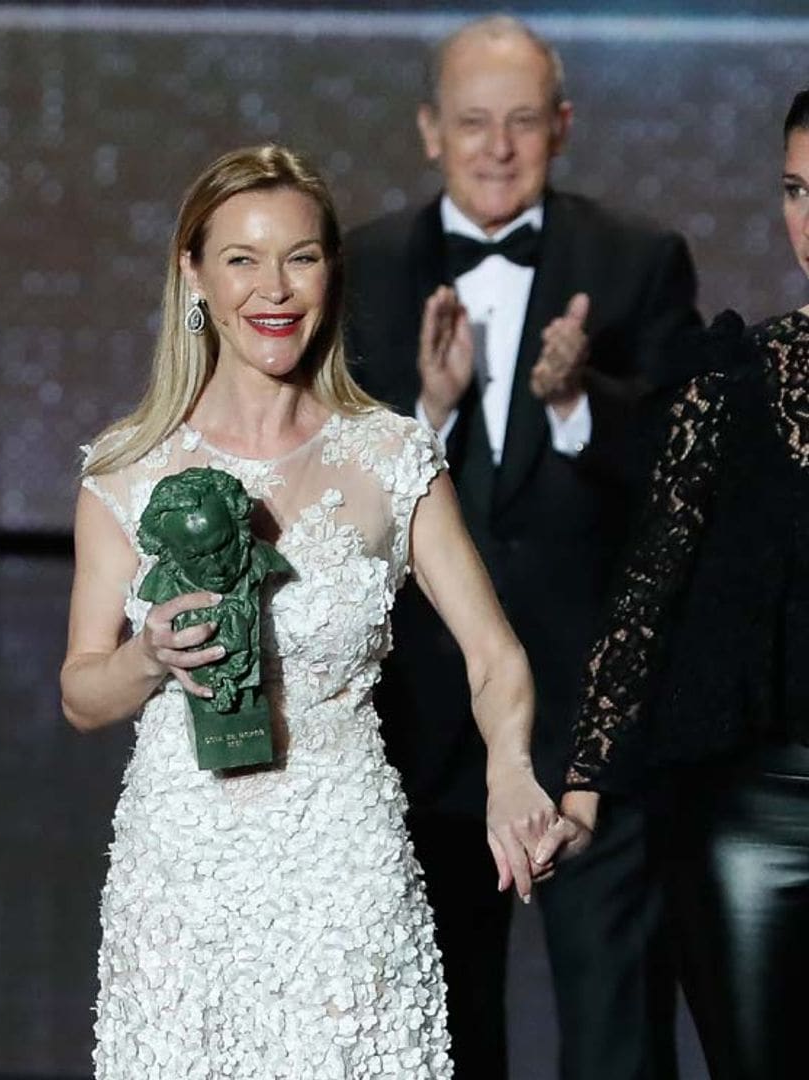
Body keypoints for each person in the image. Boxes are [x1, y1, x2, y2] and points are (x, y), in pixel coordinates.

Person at [62, 143, 580, 1078]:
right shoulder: (125, 471)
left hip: (346, 859)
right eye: (243, 259)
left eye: (301, 257)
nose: (276, 288)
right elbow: (82, 692)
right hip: (184, 867)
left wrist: (510, 770)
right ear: (194, 274)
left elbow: (495, 656)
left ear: (330, 273)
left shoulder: (391, 457)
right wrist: (148, 657)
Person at [344, 16, 701, 1080]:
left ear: (563, 126)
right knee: (442, 1030)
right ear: (428, 131)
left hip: (591, 723)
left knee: (614, 1033)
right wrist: (431, 415)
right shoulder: (363, 267)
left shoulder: (637, 260)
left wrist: (576, 404)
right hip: (422, 721)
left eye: (522, 123)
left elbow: (687, 484)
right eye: (471, 123)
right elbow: (334, 485)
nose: (496, 148)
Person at [556, 88, 809, 1080]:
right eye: (795, 189)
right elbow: (648, 588)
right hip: (750, 822)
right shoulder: (732, 381)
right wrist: (583, 787)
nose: (806, 221)